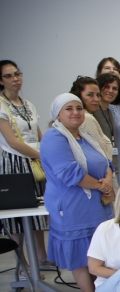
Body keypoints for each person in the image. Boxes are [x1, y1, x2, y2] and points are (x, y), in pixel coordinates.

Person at [41, 93, 114, 292]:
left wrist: (108, 181)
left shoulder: (85, 136)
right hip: (73, 207)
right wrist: (102, 185)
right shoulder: (54, 138)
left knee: (100, 250)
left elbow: (107, 161)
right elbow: (70, 174)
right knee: (80, 255)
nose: (75, 112)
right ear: (58, 114)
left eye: (79, 108)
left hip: (98, 205)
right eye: (69, 108)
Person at [0, 60, 48, 269]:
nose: (15, 79)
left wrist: (46, 153)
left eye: (17, 74)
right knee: (18, 219)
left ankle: (42, 258)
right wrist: (39, 155)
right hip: (15, 163)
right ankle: (23, 266)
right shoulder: (1, 105)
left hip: (35, 162)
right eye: (9, 76)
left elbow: (38, 134)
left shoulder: (28, 104)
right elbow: (12, 141)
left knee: (38, 214)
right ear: (1, 81)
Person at [70, 77, 112, 160]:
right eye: (90, 95)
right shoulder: (87, 119)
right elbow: (100, 155)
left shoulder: (80, 117)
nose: (96, 99)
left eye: (98, 95)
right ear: (78, 96)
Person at [93, 73, 120, 177]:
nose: (110, 91)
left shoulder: (109, 111)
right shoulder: (92, 112)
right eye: (106, 87)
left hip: (110, 165)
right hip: (98, 169)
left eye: (115, 88)